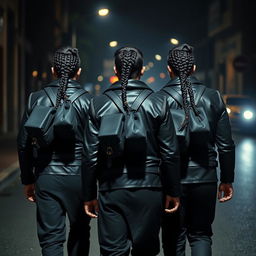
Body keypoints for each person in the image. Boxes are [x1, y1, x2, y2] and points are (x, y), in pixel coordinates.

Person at [82, 46, 181, 256]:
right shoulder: (158, 102)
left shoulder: (98, 103)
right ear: (142, 70)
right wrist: (173, 191)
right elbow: (170, 152)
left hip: (111, 187)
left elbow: (90, 155)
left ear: (116, 71)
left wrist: (89, 194)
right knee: (145, 251)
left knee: (113, 252)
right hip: (150, 187)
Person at [159, 43, 235, 256]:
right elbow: (226, 145)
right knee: (201, 235)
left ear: (169, 69)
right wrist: (227, 179)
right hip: (206, 177)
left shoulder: (158, 99)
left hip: (171, 180)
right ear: (193, 68)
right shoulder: (213, 97)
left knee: (173, 236)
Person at [17, 46, 91, 256]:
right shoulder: (88, 101)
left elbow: (23, 143)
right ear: (78, 71)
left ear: (53, 71)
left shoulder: (35, 98)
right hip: (79, 177)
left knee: (51, 239)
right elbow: (94, 145)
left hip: (46, 175)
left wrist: (28, 179)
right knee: (79, 232)